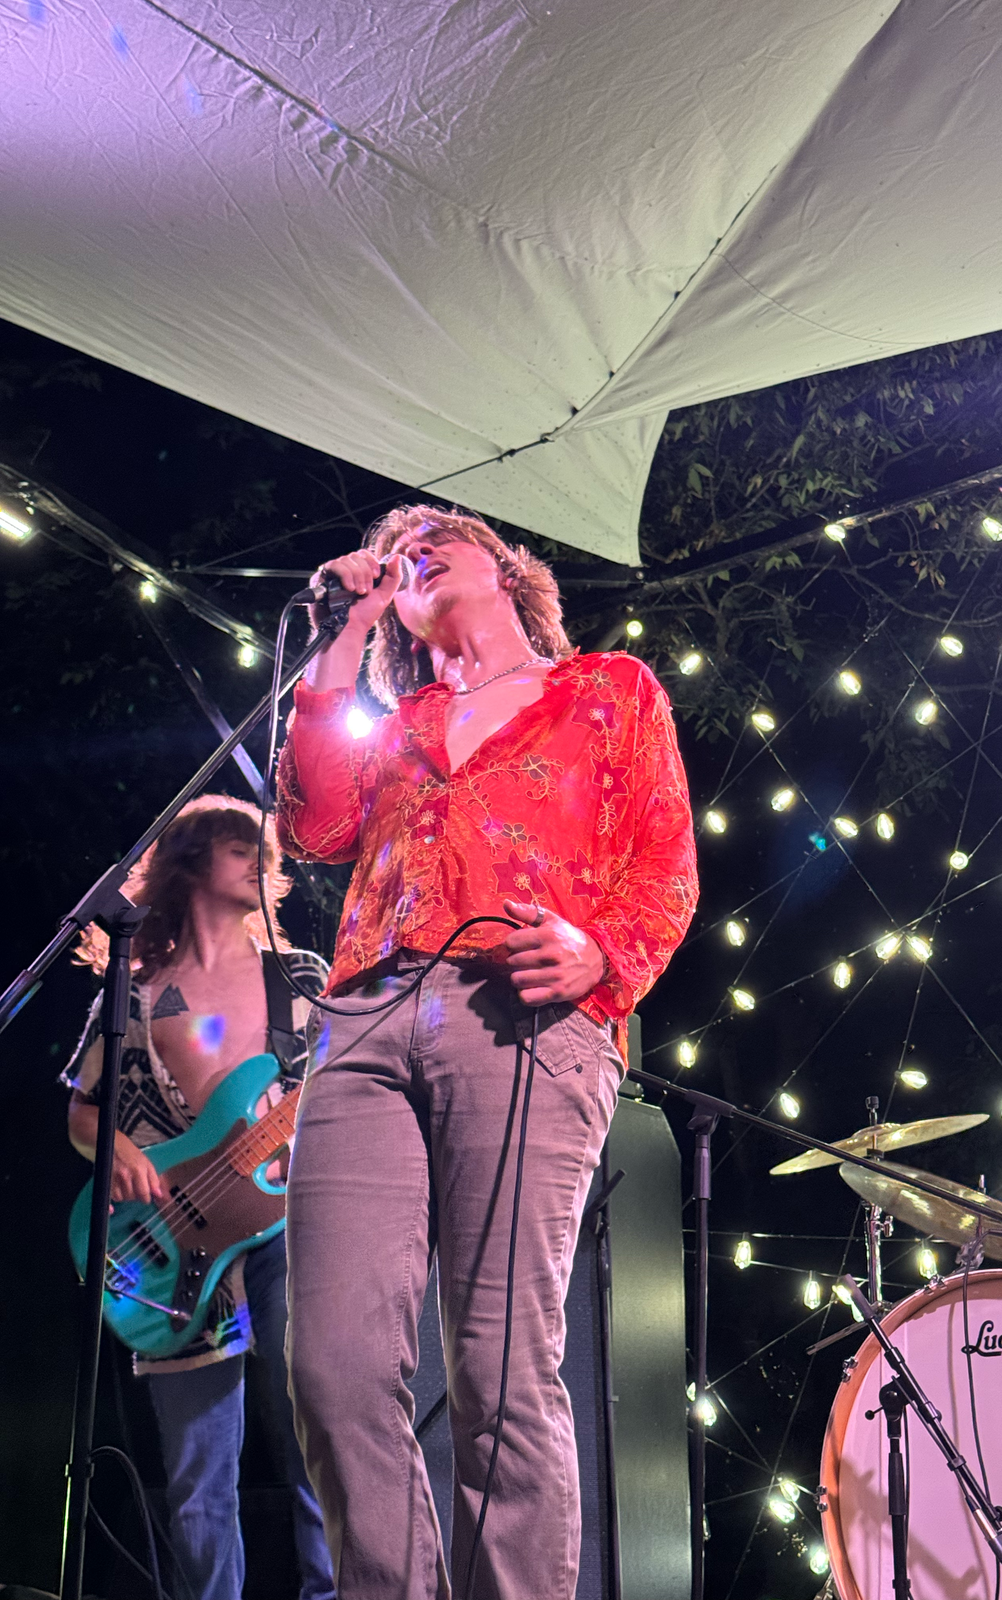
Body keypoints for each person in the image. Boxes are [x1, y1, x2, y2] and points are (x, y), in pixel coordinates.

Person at [275, 504, 699, 1600]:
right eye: (396, 553)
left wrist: (602, 953)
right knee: (332, 1365)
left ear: (508, 572)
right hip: (365, 1015)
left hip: (523, 1014)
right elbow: (314, 825)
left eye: (439, 540)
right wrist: (339, 636)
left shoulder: (607, 690)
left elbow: (665, 863)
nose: (411, 551)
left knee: (499, 1368)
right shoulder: (394, 722)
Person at [63, 796, 335, 1600]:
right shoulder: (136, 990)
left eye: (263, 848)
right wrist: (115, 1147)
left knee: (321, 1443)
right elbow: (82, 1108)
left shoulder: (301, 979)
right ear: (190, 859)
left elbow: (349, 1090)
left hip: (287, 1229)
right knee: (198, 1482)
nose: (258, 858)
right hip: (169, 1239)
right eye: (235, 843)